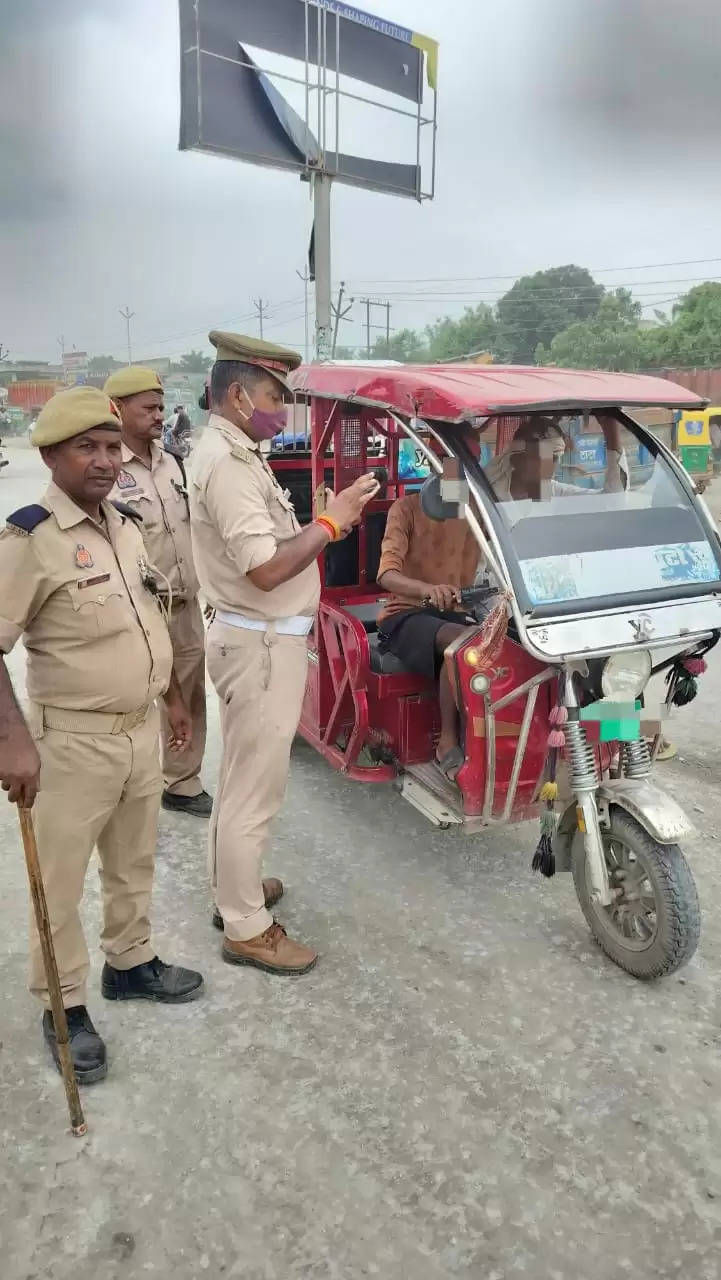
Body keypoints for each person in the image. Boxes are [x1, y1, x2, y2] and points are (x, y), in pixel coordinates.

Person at [0, 386, 203, 1084]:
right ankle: (63, 1006)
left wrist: (173, 699)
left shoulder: (123, 523)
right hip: (70, 743)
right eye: (86, 447)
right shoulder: (28, 537)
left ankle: (131, 962)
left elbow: (148, 616)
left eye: (112, 446)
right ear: (52, 455)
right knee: (58, 885)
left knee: (133, 862)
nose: (105, 459)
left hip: (137, 730)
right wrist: (13, 742)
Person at [190, 331, 379, 975]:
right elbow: (266, 569)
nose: (283, 409)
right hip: (260, 642)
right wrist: (333, 524)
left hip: (254, 637)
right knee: (254, 791)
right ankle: (246, 926)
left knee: (238, 780)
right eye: (275, 395)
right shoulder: (227, 462)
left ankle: (232, 893)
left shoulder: (236, 450)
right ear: (238, 395)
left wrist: (318, 524)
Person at [104, 367, 212, 817]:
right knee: (132, 697)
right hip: (135, 608)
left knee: (188, 694)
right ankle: (125, 784)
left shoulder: (174, 461)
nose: (158, 415)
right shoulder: (106, 469)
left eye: (160, 406)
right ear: (117, 409)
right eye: (147, 408)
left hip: (183, 603)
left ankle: (182, 780)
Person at [376, 488, 480, 780]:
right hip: (406, 612)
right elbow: (386, 574)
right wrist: (427, 590)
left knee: (504, 641)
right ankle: (447, 741)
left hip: (455, 613)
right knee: (464, 641)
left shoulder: (477, 510)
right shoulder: (405, 509)